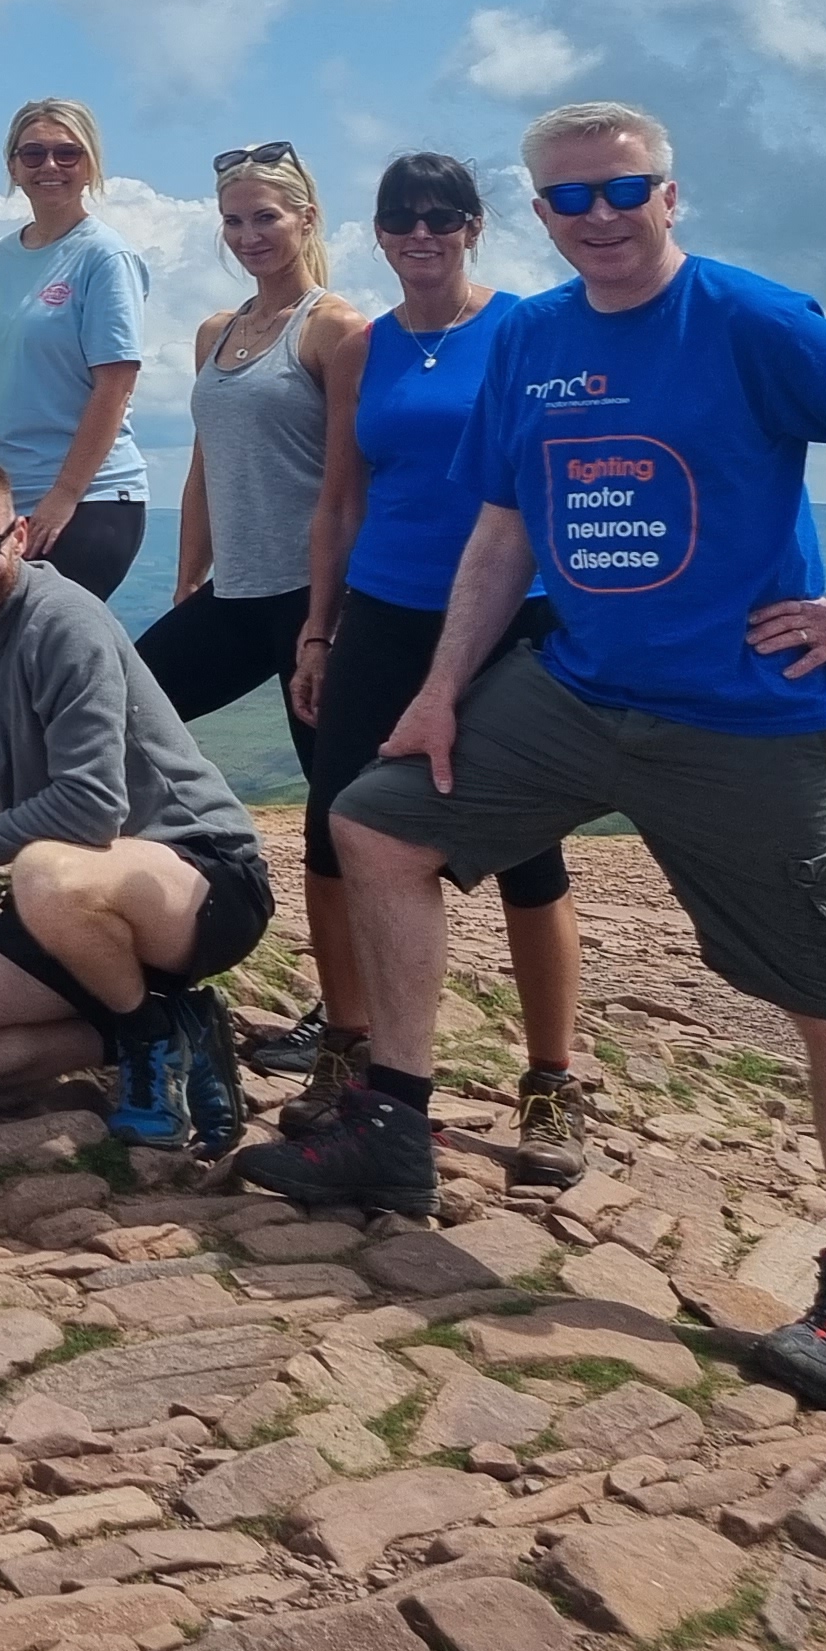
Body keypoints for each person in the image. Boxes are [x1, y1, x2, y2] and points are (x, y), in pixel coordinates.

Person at [247, 102, 826, 1415]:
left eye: (623, 191)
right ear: (539, 214)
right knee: (375, 825)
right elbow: (501, 531)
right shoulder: (534, 338)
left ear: (670, 195)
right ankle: (396, 1127)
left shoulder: (751, 318)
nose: (598, 217)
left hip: (745, 718)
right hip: (580, 688)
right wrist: (438, 694)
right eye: (572, 200)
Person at [262, 152, 588, 1170]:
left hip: (509, 616)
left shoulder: (528, 329)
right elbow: (341, 501)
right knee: (331, 831)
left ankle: (551, 1084)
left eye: (442, 215)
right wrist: (319, 629)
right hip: (386, 611)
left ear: (474, 225)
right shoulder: (365, 347)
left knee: (528, 854)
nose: (422, 232)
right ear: (379, 229)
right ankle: (352, 1053)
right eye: (402, 215)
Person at [0, 456, 272, 1154]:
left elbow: (90, 810)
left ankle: (148, 1041)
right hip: (74, 909)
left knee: (44, 871)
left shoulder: (66, 624)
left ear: (19, 536)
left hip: (199, 881)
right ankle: (167, 1027)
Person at [130, 144, 361, 735]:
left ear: (305, 219)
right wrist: (188, 578)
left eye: (265, 218)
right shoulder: (215, 332)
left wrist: (324, 627)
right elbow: (204, 468)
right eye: (233, 221)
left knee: (331, 789)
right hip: (234, 590)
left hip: (313, 594)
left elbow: (353, 481)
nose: (247, 236)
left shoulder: (334, 328)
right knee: (121, 714)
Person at [0, 97, 152, 602]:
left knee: (47, 647)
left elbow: (114, 386)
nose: (50, 166)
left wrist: (64, 495)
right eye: (33, 154)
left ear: (90, 164)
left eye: (67, 154)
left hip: (87, 496)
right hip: (8, 496)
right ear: (13, 167)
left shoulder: (105, 256)